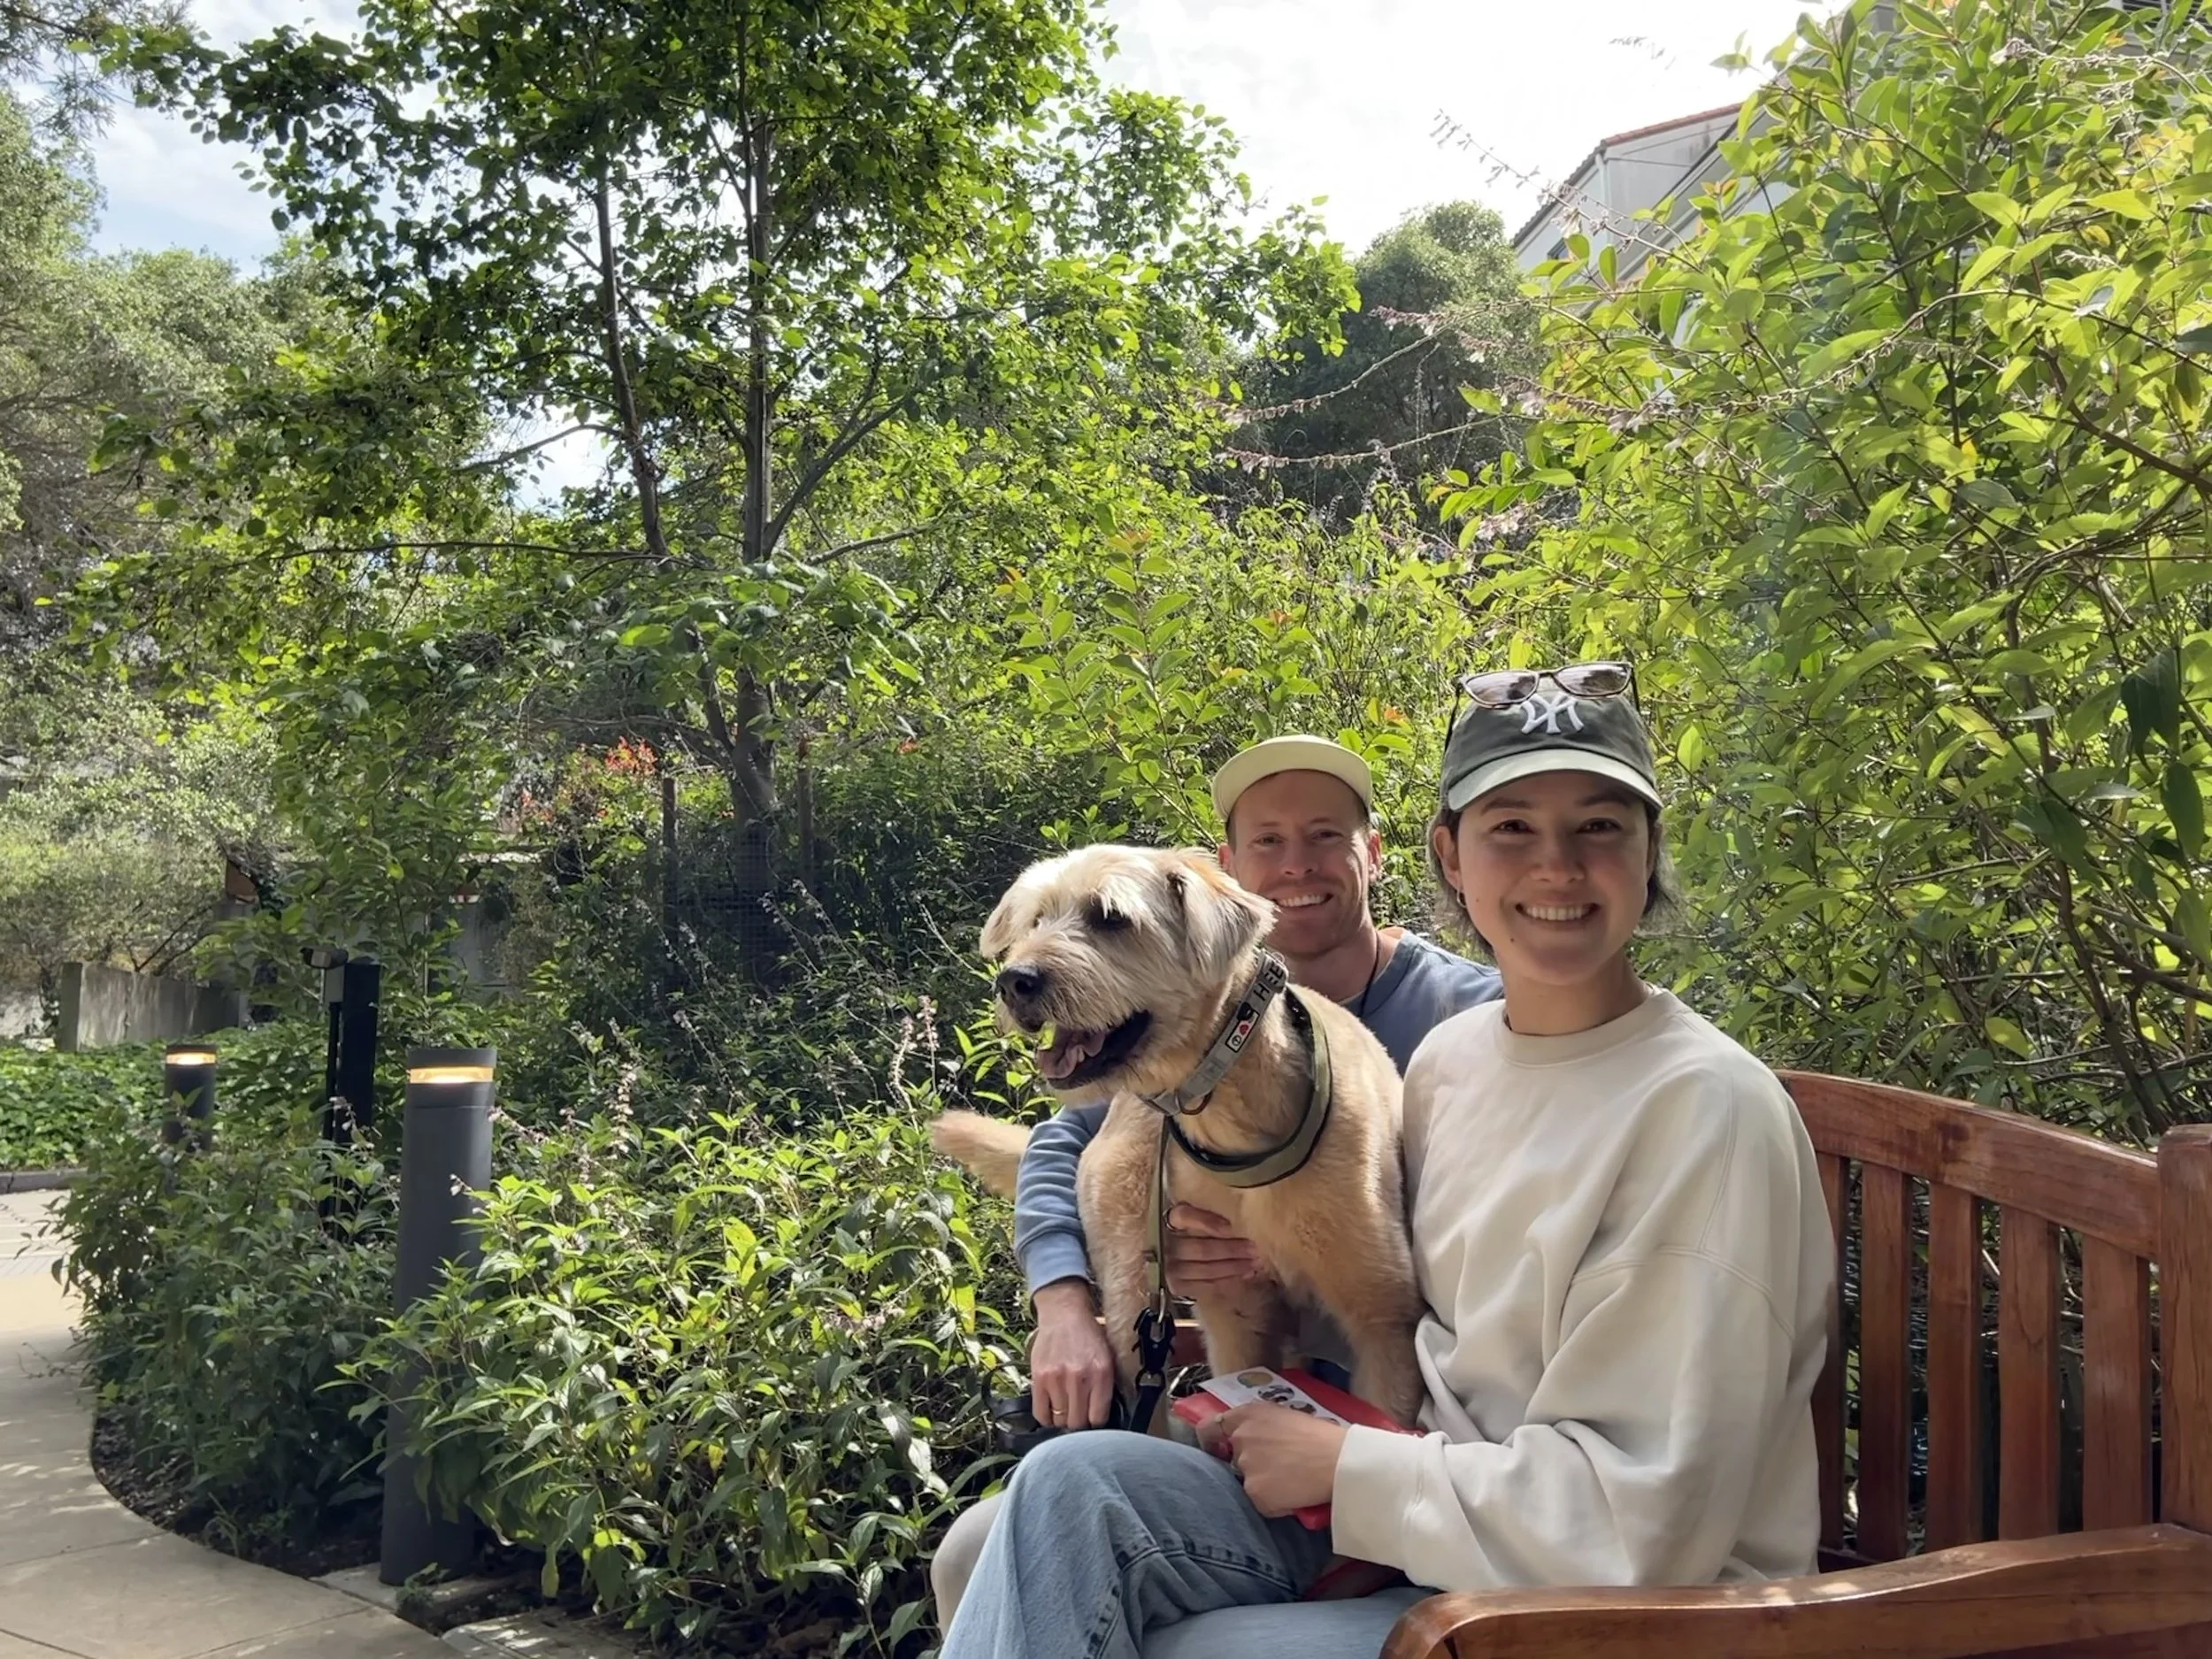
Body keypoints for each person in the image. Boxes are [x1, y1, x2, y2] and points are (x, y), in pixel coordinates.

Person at [940, 663, 1835, 1659]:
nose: (1556, 869)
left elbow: (1650, 1524)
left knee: (1167, 1639)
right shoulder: (1456, 1057)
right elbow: (1363, 1276)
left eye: (1598, 827)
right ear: (1450, 855)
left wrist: (1350, 1470)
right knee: (1063, 1491)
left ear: (1649, 850)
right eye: (1511, 830)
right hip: (1428, 1511)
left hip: (1592, 1609)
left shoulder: (1700, 1114)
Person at [932, 735, 1502, 1626]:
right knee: (970, 1549)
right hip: (1251, 1410)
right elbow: (1057, 1148)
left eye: (1324, 835)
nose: (1296, 865)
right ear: (1229, 867)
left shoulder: (1471, 1016)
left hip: (1405, 1449)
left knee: (1057, 1523)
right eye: (1266, 843)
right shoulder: (1160, 1042)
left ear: (1375, 854)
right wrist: (1067, 1308)